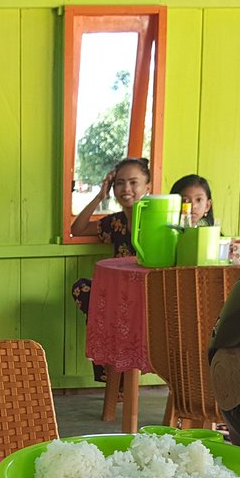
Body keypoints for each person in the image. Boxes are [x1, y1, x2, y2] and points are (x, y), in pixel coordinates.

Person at [69, 157, 152, 381]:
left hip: (147, 294)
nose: (126, 189)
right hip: (119, 294)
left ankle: (122, 378)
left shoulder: (156, 221)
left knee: (114, 312)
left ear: (147, 187)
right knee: (83, 289)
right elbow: (77, 229)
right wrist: (100, 196)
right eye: (119, 183)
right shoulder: (115, 222)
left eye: (133, 182)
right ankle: (113, 371)